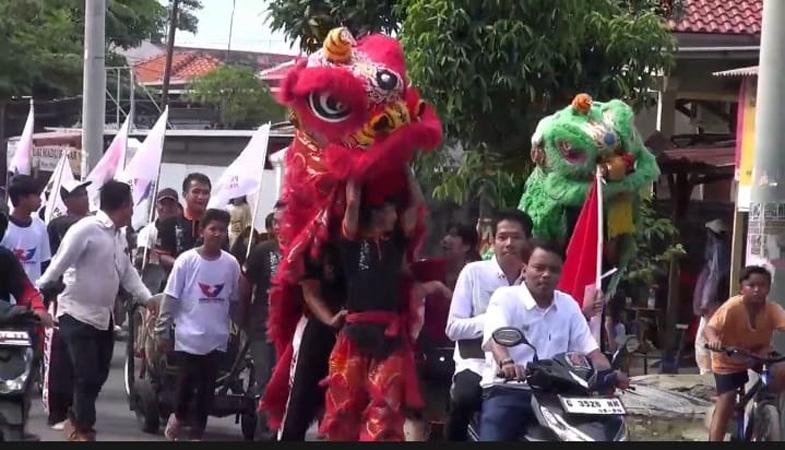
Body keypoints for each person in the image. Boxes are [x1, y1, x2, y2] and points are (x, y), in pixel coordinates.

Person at [35, 181, 154, 441]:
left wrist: (147, 299)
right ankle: (82, 429)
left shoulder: (119, 237)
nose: (133, 210)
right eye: (131, 205)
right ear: (122, 206)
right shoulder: (85, 229)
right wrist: (38, 292)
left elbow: (127, 273)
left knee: (98, 375)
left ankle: (75, 418)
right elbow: (58, 264)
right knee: (86, 374)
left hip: (104, 317)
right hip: (75, 314)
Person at [479, 240, 628, 441]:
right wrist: (507, 363)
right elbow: (497, 340)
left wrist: (608, 373)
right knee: (495, 433)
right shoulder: (505, 297)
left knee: (607, 430)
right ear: (524, 269)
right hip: (512, 389)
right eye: (539, 268)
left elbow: (592, 352)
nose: (546, 274)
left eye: (554, 270)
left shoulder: (568, 305)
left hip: (560, 394)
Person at [319, 168, 425, 441]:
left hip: (389, 340)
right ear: (378, 214)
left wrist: (406, 168)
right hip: (352, 337)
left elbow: (416, 204)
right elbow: (353, 200)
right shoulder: (351, 243)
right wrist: (357, 162)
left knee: (385, 411)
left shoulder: (397, 243)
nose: (396, 215)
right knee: (344, 408)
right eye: (391, 211)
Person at [443, 210, 532, 441]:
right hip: (477, 363)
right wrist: (495, 318)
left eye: (516, 237)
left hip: (524, 366)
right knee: (465, 398)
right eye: (502, 237)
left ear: (528, 240)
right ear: (492, 241)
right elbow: (453, 328)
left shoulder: (536, 279)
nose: (509, 243)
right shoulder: (474, 272)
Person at [155, 208, 242, 441]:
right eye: (213, 229)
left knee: (206, 388)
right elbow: (171, 297)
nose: (217, 234)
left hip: (216, 336)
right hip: (189, 336)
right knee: (185, 383)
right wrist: (162, 331)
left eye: (222, 230)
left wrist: (240, 328)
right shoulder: (186, 261)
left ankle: (197, 433)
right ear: (203, 230)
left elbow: (234, 301)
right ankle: (179, 415)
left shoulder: (231, 264)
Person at [704, 266, 785, 441]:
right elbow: (710, 328)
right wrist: (714, 340)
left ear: (768, 288)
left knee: (781, 369)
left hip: (758, 355)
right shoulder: (733, 306)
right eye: (751, 285)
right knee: (728, 399)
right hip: (728, 358)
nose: (757, 289)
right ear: (742, 288)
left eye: (762, 285)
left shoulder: (772, 309)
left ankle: (766, 406)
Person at [276, 240, 346, 440]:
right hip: (319, 331)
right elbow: (310, 293)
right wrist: (330, 319)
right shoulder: (316, 242)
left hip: (357, 332)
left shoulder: (375, 241)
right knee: (299, 403)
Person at [42, 179, 92, 430]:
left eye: (86, 193)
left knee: (79, 359)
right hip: (60, 297)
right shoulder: (59, 225)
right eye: (80, 194)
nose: (86, 197)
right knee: (59, 359)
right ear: (68, 201)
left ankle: (73, 410)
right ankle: (56, 413)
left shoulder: (94, 225)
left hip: (84, 300)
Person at [240, 203, 284, 440]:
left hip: (293, 330)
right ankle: (267, 433)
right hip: (263, 327)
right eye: (275, 222)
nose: (279, 226)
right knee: (267, 381)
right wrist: (245, 318)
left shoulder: (305, 247)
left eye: (283, 221)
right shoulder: (262, 250)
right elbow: (245, 287)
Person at [693, 218, 730, 375]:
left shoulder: (718, 250)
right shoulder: (717, 250)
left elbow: (715, 278)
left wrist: (706, 302)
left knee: (703, 340)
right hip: (712, 303)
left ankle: (708, 373)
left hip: (713, 305)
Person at [155, 173, 212, 272]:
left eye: (205, 193)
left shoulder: (215, 225)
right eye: (196, 192)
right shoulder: (169, 223)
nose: (201, 197)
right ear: (185, 195)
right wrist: (182, 265)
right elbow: (162, 255)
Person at [1, 174, 51, 284]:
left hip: (34, 296)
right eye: (37, 195)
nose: (40, 199)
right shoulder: (4, 228)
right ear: (22, 198)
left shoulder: (40, 226)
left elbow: (45, 262)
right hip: (9, 298)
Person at [135, 188, 181, 292]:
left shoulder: (184, 229)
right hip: (154, 288)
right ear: (156, 207)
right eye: (163, 204)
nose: (166, 208)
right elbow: (140, 260)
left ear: (178, 207)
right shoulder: (148, 232)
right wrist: (145, 256)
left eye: (171, 204)